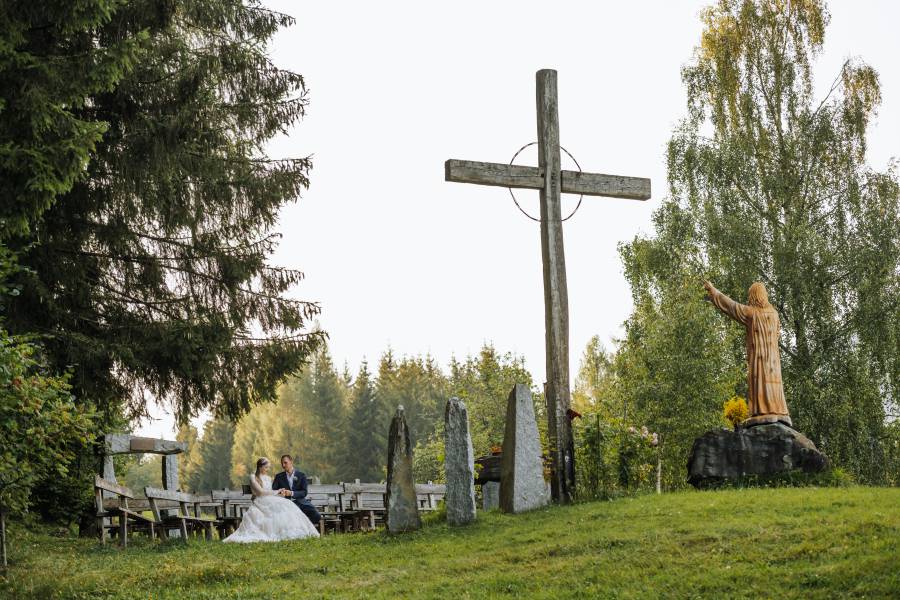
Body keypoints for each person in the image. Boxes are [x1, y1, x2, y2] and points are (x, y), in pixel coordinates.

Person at [704, 280, 792, 426]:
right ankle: (777, 409)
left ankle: (762, 411)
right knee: (774, 382)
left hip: (759, 357)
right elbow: (777, 334)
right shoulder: (775, 314)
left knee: (760, 381)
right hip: (774, 361)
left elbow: (731, 306)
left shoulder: (751, 313)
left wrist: (713, 291)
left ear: (753, 296)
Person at [223, 457, 319, 543]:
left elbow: (302, 492)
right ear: (260, 467)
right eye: (266, 467)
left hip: (277, 498)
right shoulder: (254, 477)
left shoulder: (270, 478)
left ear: (291, 462)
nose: (268, 470)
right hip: (261, 500)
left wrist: (282, 493)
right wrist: (277, 491)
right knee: (283, 506)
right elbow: (261, 492)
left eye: (268, 467)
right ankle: (281, 533)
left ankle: (297, 530)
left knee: (288, 505)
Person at [272, 454, 321, 527]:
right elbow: (273, 491)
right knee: (291, 515)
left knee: (316, 516)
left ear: (291, 462)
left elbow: (304, 492)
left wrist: (291, 493)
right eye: (282, 463)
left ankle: (303, 526)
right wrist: (280, 492)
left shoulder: (301, 475)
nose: (283, 465)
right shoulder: (278, 477)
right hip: (286, 503)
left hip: (301, 502)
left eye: (285, 463)